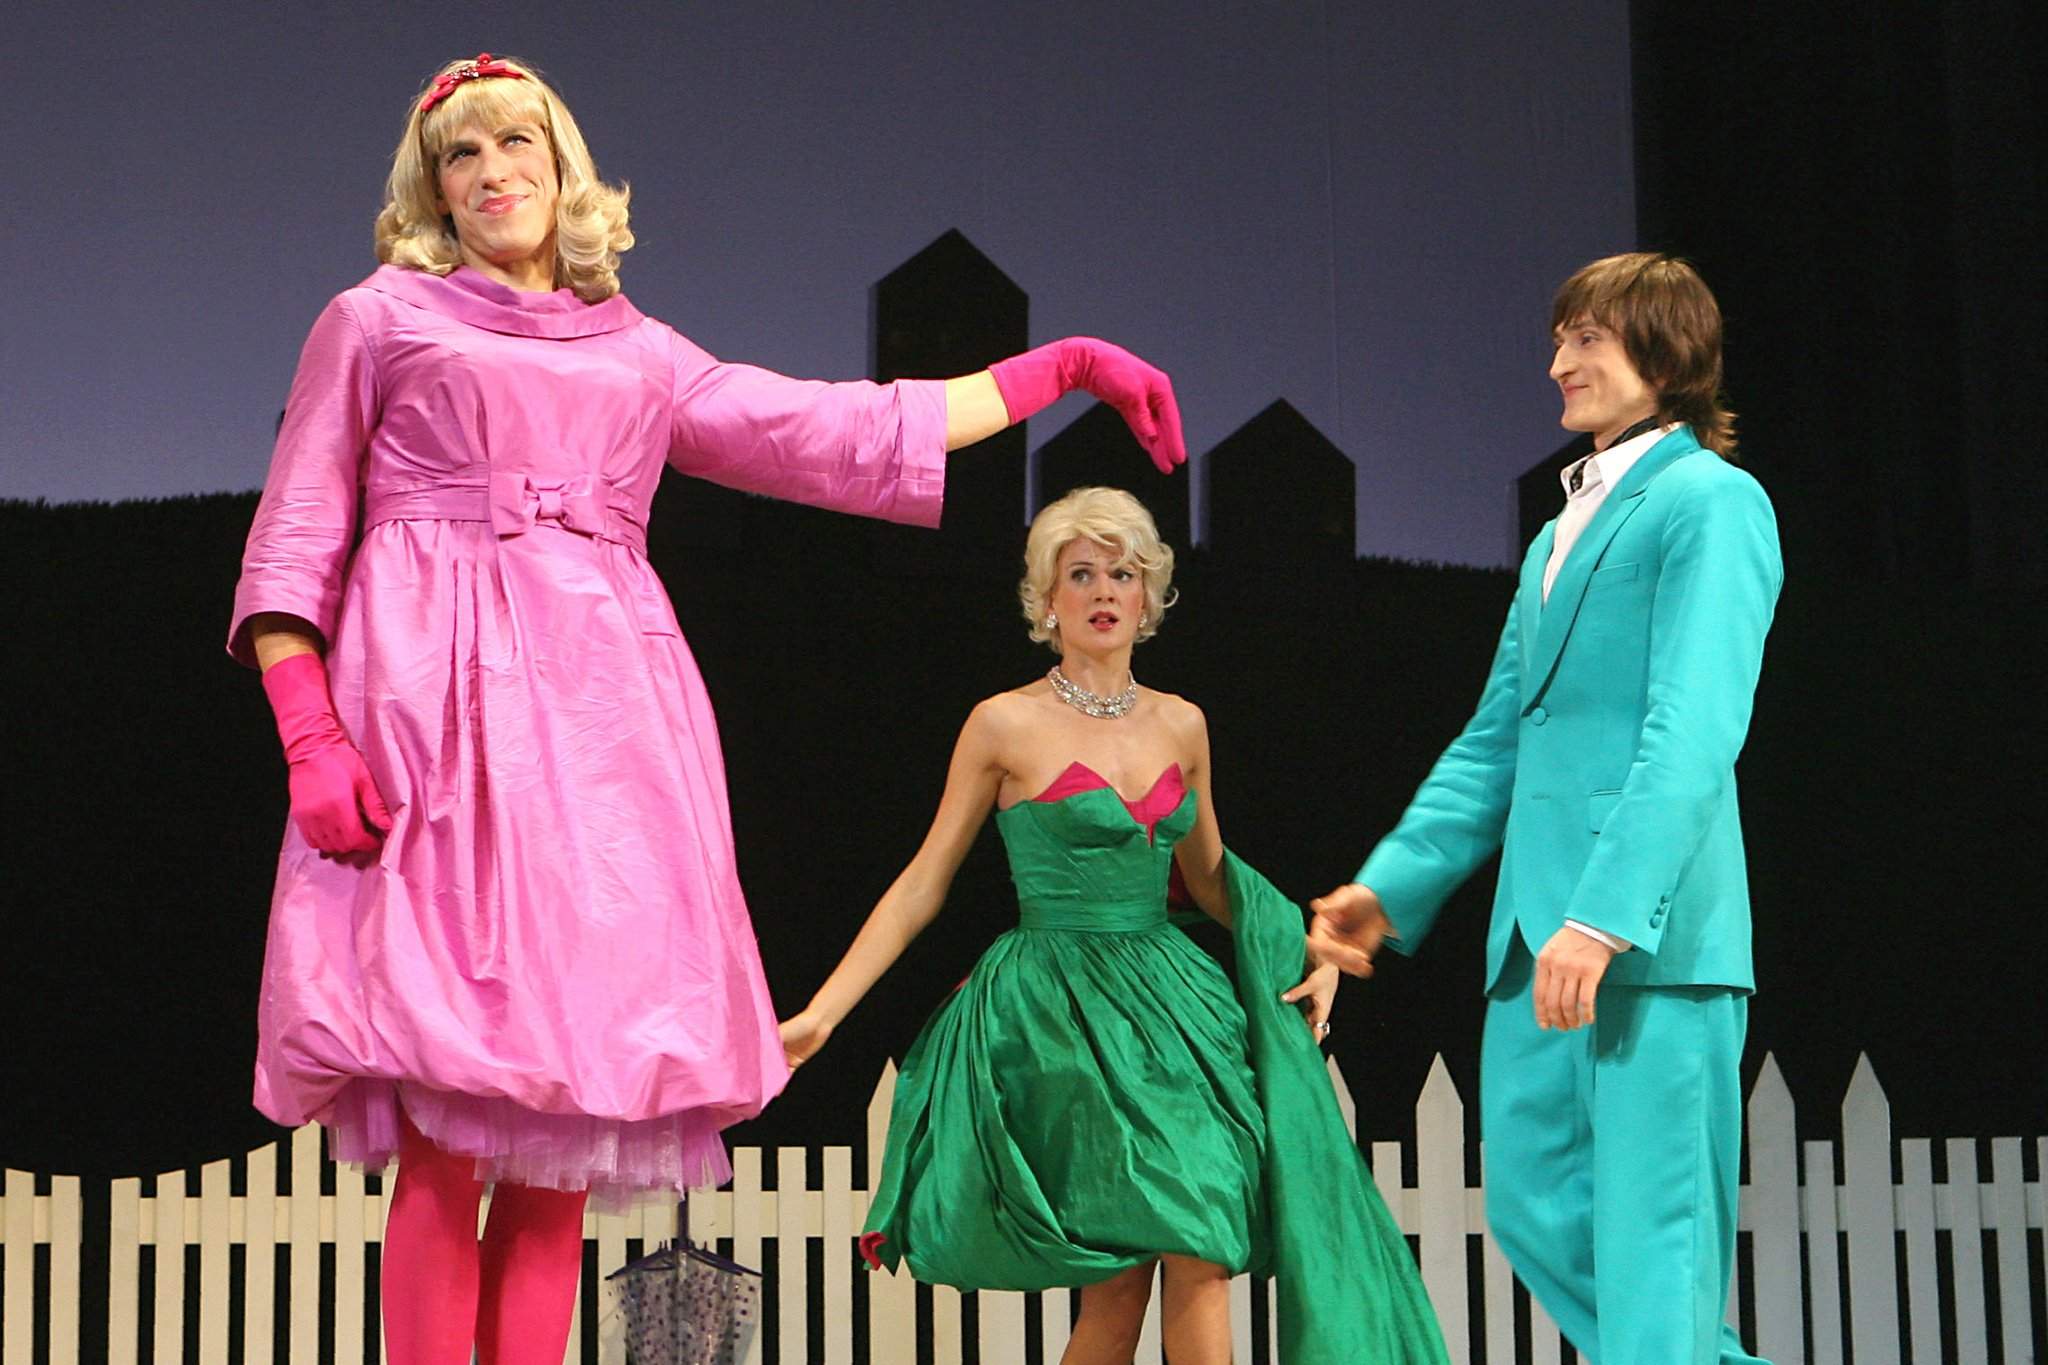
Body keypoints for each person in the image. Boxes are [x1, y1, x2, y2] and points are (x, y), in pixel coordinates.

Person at [230, 54, 1186, 1365]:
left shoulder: (635, 351)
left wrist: (1057, 368)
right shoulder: (377, 320)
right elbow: (294, 535)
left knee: (567, 1127)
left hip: (603, 743)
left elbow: (829, 431)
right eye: (462, 153)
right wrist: (309, 733)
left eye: (516, 143)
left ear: (562, 168)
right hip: (437, 733)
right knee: (448, 1122)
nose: (493, 171)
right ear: (433, 190)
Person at [780, 487, 1448, 1365]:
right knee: (1120, 1290)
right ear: (1047, 600)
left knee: (1203, 1237)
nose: (1104, 590)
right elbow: (921, 883)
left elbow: (1212, 877)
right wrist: (823, 1013)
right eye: (1082, 573)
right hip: (1059, 1015)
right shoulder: (1002, 722)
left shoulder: (1182, 723)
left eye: (1124, 573)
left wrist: (1304, 945)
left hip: (1176, 1012)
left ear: (1148, 596)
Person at [1310, 253, 1781, 1363]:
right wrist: (1388, 887)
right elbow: (1495, 744)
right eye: (1559, 338)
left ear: (1662, 353)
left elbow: (1693, 726)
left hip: (1648, 939)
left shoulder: (1712, 501)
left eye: (1586, 338)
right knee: (1531, 1207)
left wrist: (1606, 913)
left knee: (1654, 1247)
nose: (1559, 361)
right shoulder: (1556, 534)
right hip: (1534, 935)